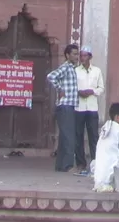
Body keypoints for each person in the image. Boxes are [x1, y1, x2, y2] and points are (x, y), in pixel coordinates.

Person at [46, 43, 81, 172]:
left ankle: (60, 165)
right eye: (74, 54)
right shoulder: (66, 67)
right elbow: (51, 76)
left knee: (64, 137)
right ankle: (68, 165)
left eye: (77, 54)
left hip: (69, 105)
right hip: (65, 105)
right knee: (69, 137)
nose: (77, 56)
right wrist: (59, 89)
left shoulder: (73, 68)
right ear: (67, 55)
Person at [74, 46, 105, 175]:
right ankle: (81, 164)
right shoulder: (75, 71)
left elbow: (101, 88)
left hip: (92, 107)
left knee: (94, 136)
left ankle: (95, 162)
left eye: (85, 56)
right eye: (81, 56)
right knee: (78, 136)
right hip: (79, 107)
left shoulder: (97, 71)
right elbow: (72, 87)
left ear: (90, 57)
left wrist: (92, 91)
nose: (82, 58)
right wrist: (79, 92)